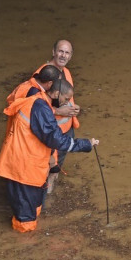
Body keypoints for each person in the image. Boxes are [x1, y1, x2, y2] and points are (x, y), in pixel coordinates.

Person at [0, 79, 99, 233]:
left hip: (28, 168)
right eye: (66, 99)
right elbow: (56, 139)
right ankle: (25, 242)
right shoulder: (41, 109)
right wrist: (86, 145)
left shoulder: (39, 103)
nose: (68, 104)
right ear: (56, 93)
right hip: (23, 171)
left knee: (33, 209)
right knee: (26, 220)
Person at [35, 40, 81, 191]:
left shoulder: (66, 72)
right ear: (53, 52)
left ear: (71, 56)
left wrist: (73, 108)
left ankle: (50, 184)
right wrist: (57, 112)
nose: (63, 55)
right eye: (61, 51)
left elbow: (67, 96)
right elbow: (35, 105)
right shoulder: (44, 74)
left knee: (58, 160)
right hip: (50, 130)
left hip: (65, 128)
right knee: (47, 162)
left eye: (67, 52)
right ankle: (43, 191)